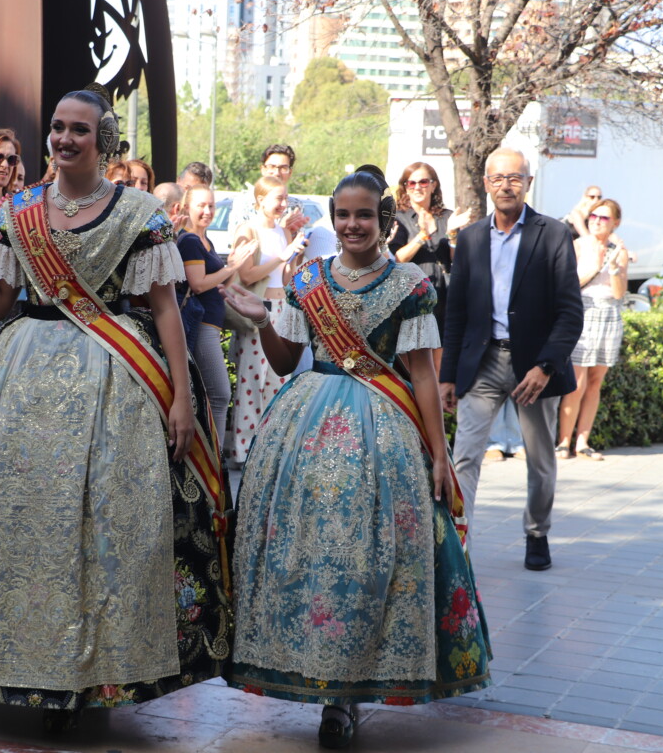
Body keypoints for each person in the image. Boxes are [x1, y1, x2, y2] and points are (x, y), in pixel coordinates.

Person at [0, 85, 230, 728]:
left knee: (106, 522)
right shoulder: (19, 212)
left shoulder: (139, 213)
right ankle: (19, 661)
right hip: (22, 380)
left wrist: (183, 400)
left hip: (117, 378)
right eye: (57, 127)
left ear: (102, 139)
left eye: (79, 128)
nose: (64, 138)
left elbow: (165, 308)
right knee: (21, 524)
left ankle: (99, 671)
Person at [222, 166, 492, 749]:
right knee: (315, 559)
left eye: (363, 215)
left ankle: (344, 697)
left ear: (384, 220)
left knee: (370, 565)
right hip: (305, 432)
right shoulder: (308, 278)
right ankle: (313, 674)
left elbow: (422, 373)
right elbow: (281, 358)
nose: (351, 225)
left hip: (384, 437)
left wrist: (439, 454)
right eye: (342, 215)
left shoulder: (412, 285)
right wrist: (262, 313)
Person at [439, 147, 584, 571]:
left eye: (514, 178)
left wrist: (546, 366)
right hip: (481, 363)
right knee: (464, 455)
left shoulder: (553, 234)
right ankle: (457, 541)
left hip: (535, 368)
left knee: (540, 460)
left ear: (528, 183)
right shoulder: (469, 238)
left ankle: (537, 533)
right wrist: (448, 374)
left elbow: (570, 311)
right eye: (498, 178)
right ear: (486, 184)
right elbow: (457, 312)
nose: (506, 185)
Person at [224, 174, 308, 469]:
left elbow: (286, 277)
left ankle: (271, 448)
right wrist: (282, 255)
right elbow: (246, 275)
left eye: (286, 198)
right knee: (252, 380)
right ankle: (243, 450)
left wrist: (293, 256)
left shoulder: (283, 233)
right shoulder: (248, 229)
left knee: (278, 380)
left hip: (283, 306)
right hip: (257, 309)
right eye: (278, 199)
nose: (283, 204)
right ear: (260, 200)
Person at [177, 184, 256, 440]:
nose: (207, 210)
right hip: (201, 326)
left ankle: (214, 461)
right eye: (201, 205)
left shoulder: (206, 240)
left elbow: (217, 284)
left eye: (211, 205)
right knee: (220, 394)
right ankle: (217, 462)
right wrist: (231, 266)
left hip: (213, 323)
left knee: (215, 397)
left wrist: (232, 268)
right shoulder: (189, 240)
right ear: (187, 208)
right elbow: (198, 284)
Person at [557, 198, 629, 461]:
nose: (597, 221)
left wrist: (615, 269)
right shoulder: (578, 245)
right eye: (594, 216)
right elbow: (568, 285)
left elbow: (619, 293)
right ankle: (563, 442)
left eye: (604, 218)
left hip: (609, 312)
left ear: (615, 223)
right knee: (576, 382)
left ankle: (583, 442)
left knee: (595, 381)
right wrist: (595, 266)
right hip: (583, 312)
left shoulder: (619, 249)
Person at [389, 161, 456, 370]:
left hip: (442, 298)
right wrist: (422, 235)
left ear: (433, 185)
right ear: (405, 187)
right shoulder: (398, 217)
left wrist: (453, 234)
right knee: (411, 364)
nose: (417, 187)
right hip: (411, 298)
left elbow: (455, 259)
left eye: (423, 181)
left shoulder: (446, 216)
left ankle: (437, 402)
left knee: (438, 364)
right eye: (411, 183)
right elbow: (398, 258)